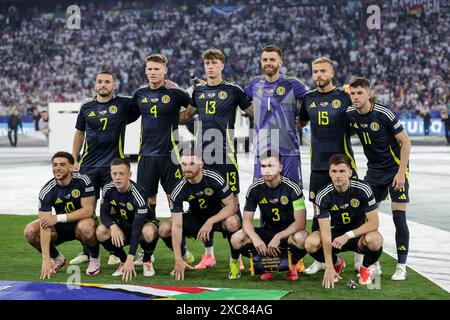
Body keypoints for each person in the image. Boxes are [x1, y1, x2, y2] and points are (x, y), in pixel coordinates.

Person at [179, 48, 252, 270]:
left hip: (226, 156)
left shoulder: (233, 90)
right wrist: (168, 104)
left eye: (214, 62)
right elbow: (185, 116)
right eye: (207, 63)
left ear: (222, 65)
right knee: (206, 203)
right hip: (203, 157)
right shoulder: (197, 91)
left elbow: (254, 112)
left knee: (233, 205)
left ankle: (236, 255)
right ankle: (208, 255)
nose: (210, 66)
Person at [244, 44, 309, 272]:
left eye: (272, 59)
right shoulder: (254, 84)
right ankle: (267, 259)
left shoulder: (293, 84)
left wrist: (303, 119)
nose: (268, 63)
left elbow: (311, 101)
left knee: (292, 199)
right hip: (262, 150)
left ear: (280, 61)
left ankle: (295, 256)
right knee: (264, 199)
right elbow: (240, 100)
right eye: (265, 59)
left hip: (288, 150)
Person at [71, 71, 140, 267]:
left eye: (107, 82)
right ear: (95, 85)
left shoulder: (123, 105)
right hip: (88, 166)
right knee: (86, 210)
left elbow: (145, 102)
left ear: (114, 85)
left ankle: (112, 249)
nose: (103, 85)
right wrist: (74, 159)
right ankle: (88, 250)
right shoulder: (86, 107)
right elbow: (79, 134)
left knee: (112, 208)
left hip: (113, 167)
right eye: (100, 82)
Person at [346, 77, 411, 280]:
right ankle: (372, 264)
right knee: (364, 217)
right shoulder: (350, 114)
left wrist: (401, 172)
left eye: (360, 93)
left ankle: (401, 266)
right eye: (353, 93)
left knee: (398, 217)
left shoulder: (383, 113)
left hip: (395, 170)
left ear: (369, 94)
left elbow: (405, 142)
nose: (356, 97)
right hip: (373, 173)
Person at [298, 56, 357, 274]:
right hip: (318, 165)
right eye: (315, 71)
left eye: (323, 71)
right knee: (318, 211)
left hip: (344, 164)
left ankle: (362, 259)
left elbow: (357, 120)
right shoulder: (308, 98)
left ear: (332, 73)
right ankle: (322, 260)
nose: (318, 75)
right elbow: (301, 120)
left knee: (354, 209)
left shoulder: (345, 96)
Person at [158, 148, 242, 280]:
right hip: (196, 218)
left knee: (232, 222)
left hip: (219, 217)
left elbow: (232, 206)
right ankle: (184, 256)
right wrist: (177, 259)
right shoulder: (178, 189)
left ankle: (235, 261)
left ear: (201, 164)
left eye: (192, 163)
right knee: (164, 228)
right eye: (184, 164)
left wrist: (210, 221)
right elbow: (177, 226)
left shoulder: (214, 177)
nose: (187, 168)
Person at [305, 154, 383, 288]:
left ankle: (365, 268)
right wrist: (329, 267)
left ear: (350, 173)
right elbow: (324, 232)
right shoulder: (323, 195)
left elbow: (374, 223)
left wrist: (348, 235)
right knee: (310, 243)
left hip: (357, 235)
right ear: (329, 173)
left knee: (375, 240)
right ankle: (336, 264)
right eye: (334, 171)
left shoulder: (363, 188)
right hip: (334, 235)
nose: (338, 175)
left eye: (342, 171)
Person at [231, 151, 308, 281]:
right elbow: (247, 221)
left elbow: (300, 223)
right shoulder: (254, 188)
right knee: (236, 239)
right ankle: (266, 264)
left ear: (280, 168)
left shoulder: (293, 188)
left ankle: (293, 263)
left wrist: (278, 236)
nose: (267, 170)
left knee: (303, 238)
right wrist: (255, 238)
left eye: (271, 166)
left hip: (288, 234)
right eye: (263, 166)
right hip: (266, 232)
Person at [23, 151, 100, 279]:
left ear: (71, 167)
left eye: (62, 164)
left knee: (86, 226)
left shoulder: (83, 180)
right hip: (61, 228)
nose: (57, 168)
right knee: (30, 231)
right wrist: (46, 258)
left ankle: (94, 259)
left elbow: (88, 210)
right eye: (54, 165)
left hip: (81, 225)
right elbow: (44, 225)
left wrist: (58, 218)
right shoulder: (47, 191)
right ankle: (57, 258)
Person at [96, 158, 159, 281]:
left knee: (148, 231)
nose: (117, 177)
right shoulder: (108, 189)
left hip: (142, 227)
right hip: (123, 225)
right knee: (101, 231)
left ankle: (146, 260)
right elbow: (103, 215)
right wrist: (113, 226)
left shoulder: (138, 194)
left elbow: (137, 229)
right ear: (111, 174)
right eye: (114, 174)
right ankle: (123, 261)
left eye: (121, 174)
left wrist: (132, 257)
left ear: (129, 175)